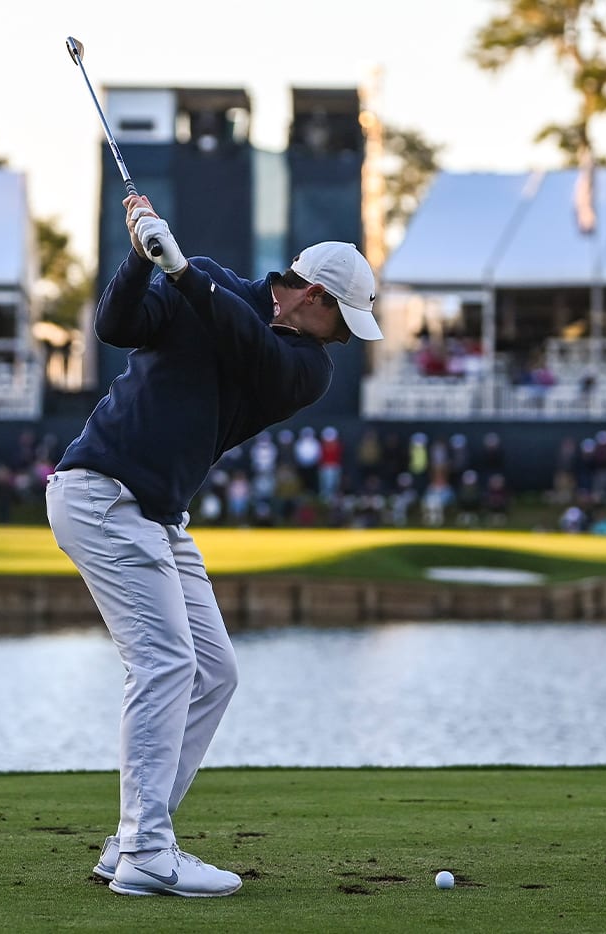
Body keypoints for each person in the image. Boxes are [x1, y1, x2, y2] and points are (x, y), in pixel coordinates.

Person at [47, 194, 381, 898]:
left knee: (214, 672)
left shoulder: (304, 366)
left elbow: (249, 345)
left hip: (158, 516)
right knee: (165, 662)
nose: (343, 342)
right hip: (103, 494)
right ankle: (146, 851)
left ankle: (135, 839)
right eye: (341, 322)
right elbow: (116, 324)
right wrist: (140, 263)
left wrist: (180, 275)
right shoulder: (200, 278)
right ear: (314, 295)